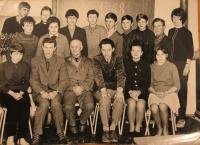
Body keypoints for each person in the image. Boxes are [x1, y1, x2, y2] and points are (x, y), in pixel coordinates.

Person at [30, 37, 68, 144]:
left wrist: (56, 92)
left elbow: (64, 80)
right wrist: (42, 92)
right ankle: (36, 135)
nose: (48, 50)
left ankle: (61, 133)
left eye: (51, 47)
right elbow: (33, 80)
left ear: (55, 48)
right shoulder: (35, 60)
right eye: (46, 47)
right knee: (44, 104)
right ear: (42, 47)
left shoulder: (60, 60)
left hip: (55, 91)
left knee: (56, 104)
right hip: (40, 92)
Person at [93, 38, 126, 143]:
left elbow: (121, 75)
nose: (106, 52)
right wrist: (103, 91)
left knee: (120, 100)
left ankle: (113, 128)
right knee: (105, 100)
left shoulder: (118, 59)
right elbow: (97, 76)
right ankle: (105, 129)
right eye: (103, 50)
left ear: (113, 49)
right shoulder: (96, 59)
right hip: (100, 89)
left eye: (108, 49)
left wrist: (120, 91)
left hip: (116, 88)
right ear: (100, 50)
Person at [168, 8, 194, 128]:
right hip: (171, 65)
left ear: (182, 19)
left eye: (178, 18)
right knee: (172, 90)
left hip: (182, 65)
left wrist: (187, 66)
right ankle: (172, 114)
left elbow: (190, 51)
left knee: (182, 91)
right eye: (173, 17)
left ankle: (182, 118)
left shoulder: (187, 32)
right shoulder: (170, 31)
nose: (175, 20)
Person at [0, 43, 30, 145]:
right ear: (11, 54)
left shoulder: (26, 66)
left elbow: (26, 82)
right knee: (13, 105)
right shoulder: (3, 66)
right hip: (6, 92)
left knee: (25, 105)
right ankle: (10, 136)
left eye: (21, 54)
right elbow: (2, 85)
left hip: (20, 91)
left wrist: (21, 93)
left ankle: (22, 137)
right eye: (16, 54)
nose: (19, 56)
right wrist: (13, 94)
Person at [63, 39, 94, 137]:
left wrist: (82, 87)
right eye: (72, 47)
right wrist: (73, 88)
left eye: (77, 47)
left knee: (90, 105)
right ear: (70, 48)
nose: (75, 49)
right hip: (69, 90)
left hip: (84, 89)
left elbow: (91, 77)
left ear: (81, 48)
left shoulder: (89, 61)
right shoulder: (64, 61)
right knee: (67, 107)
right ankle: (72, 124)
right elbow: (63, 78)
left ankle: (82, 121)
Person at [148, 47, 180, 135]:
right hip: (155, 92)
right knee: (154, 108)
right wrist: (155, 92)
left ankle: (166, 128)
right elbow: (149, 85)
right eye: (158, 54)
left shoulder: (172, 66)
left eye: (162, 54)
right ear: (155, 56)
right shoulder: (151, 67)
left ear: (166, 55)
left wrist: (166, 92)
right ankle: (159, 128)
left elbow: (177, 86)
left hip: (170, 92)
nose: (160, 57)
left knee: (162, 106)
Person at [124, 40, 151, 140]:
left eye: (138, 50)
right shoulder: (125, 64)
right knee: (131, 104)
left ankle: (138, 126)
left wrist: (139, 92)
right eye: (133, 50)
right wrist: (130, 92)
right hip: (129, 92)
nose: (135, 53)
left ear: (142, 53)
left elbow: (147, 82)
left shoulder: (146, 65)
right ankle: (131, 126)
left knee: (140, 104)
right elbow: (124, 80)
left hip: (142, 92)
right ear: (130, 52)